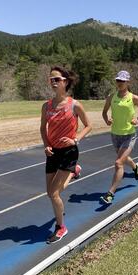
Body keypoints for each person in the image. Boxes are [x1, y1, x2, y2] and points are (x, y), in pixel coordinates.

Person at [40, 66, 92, 243]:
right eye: (51, 80)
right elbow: (42, 128)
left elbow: (88, 125)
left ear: (65, 82)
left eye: (57, 79)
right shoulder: (46, 106)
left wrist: (75, 139)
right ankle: (74, 171)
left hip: (69, 151)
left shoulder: (74, 105)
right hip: (52, 152)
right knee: (50, 192)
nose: (53, 82)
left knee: (54, 194)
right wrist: (46, 145)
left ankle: (61, 227)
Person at [100, 71, 138, 204]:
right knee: (123, 158)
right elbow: (104, 112)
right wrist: (107, 120)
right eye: (118, 81)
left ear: (128, 82)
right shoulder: (111, 97)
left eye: (122, 81)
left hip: (129, 135)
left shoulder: (133, 97)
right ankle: (135, 167)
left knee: (119, 163)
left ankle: (110, 193)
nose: (120, 83)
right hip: (115, 134)